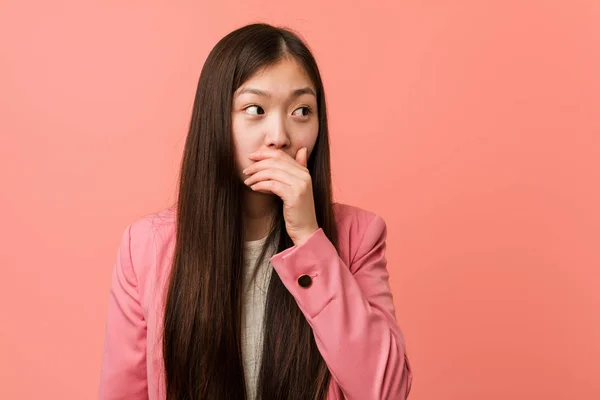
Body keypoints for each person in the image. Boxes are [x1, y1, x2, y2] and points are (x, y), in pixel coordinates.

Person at [98, 22, 412, 400]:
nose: (279, 135)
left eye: (301, 110)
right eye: (255, 109)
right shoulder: (145, 247)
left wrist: (310, 240)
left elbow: (386, 391)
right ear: (216, 120)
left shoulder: (357, 236)